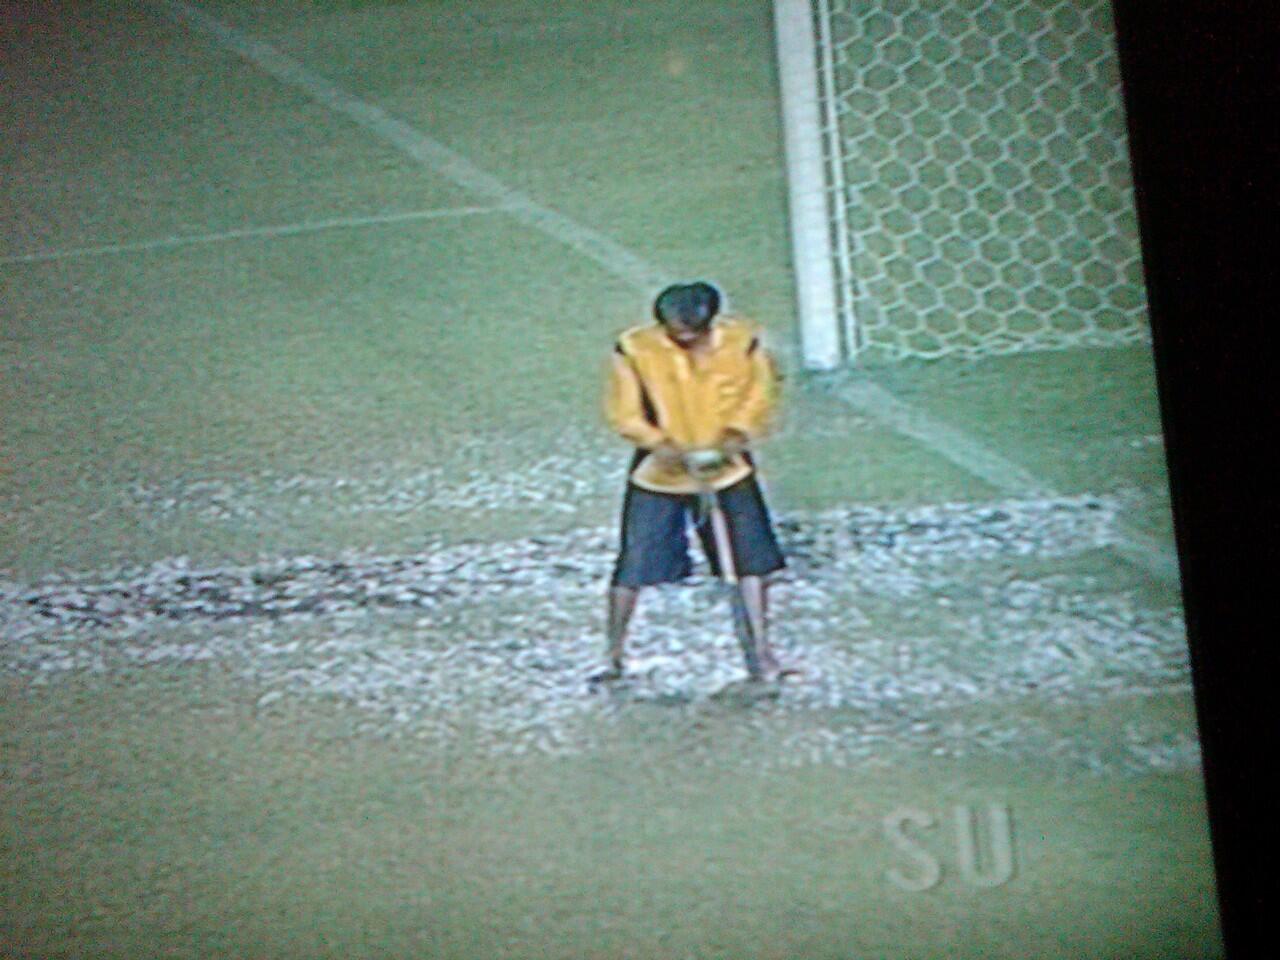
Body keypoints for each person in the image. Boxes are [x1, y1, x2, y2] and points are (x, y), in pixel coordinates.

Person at [595, 281, 789, 683]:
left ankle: (761, 652)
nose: (684, 342)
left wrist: (735, 435)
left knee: (751, 562)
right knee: (634, 564)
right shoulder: (634, 350)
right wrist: (660, 445)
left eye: (692, 335)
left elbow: (760, 394)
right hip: (661, 471)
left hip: (727, 466)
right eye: (675, 334)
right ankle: (613, 656)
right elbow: (624, 411)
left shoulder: (743, 343)